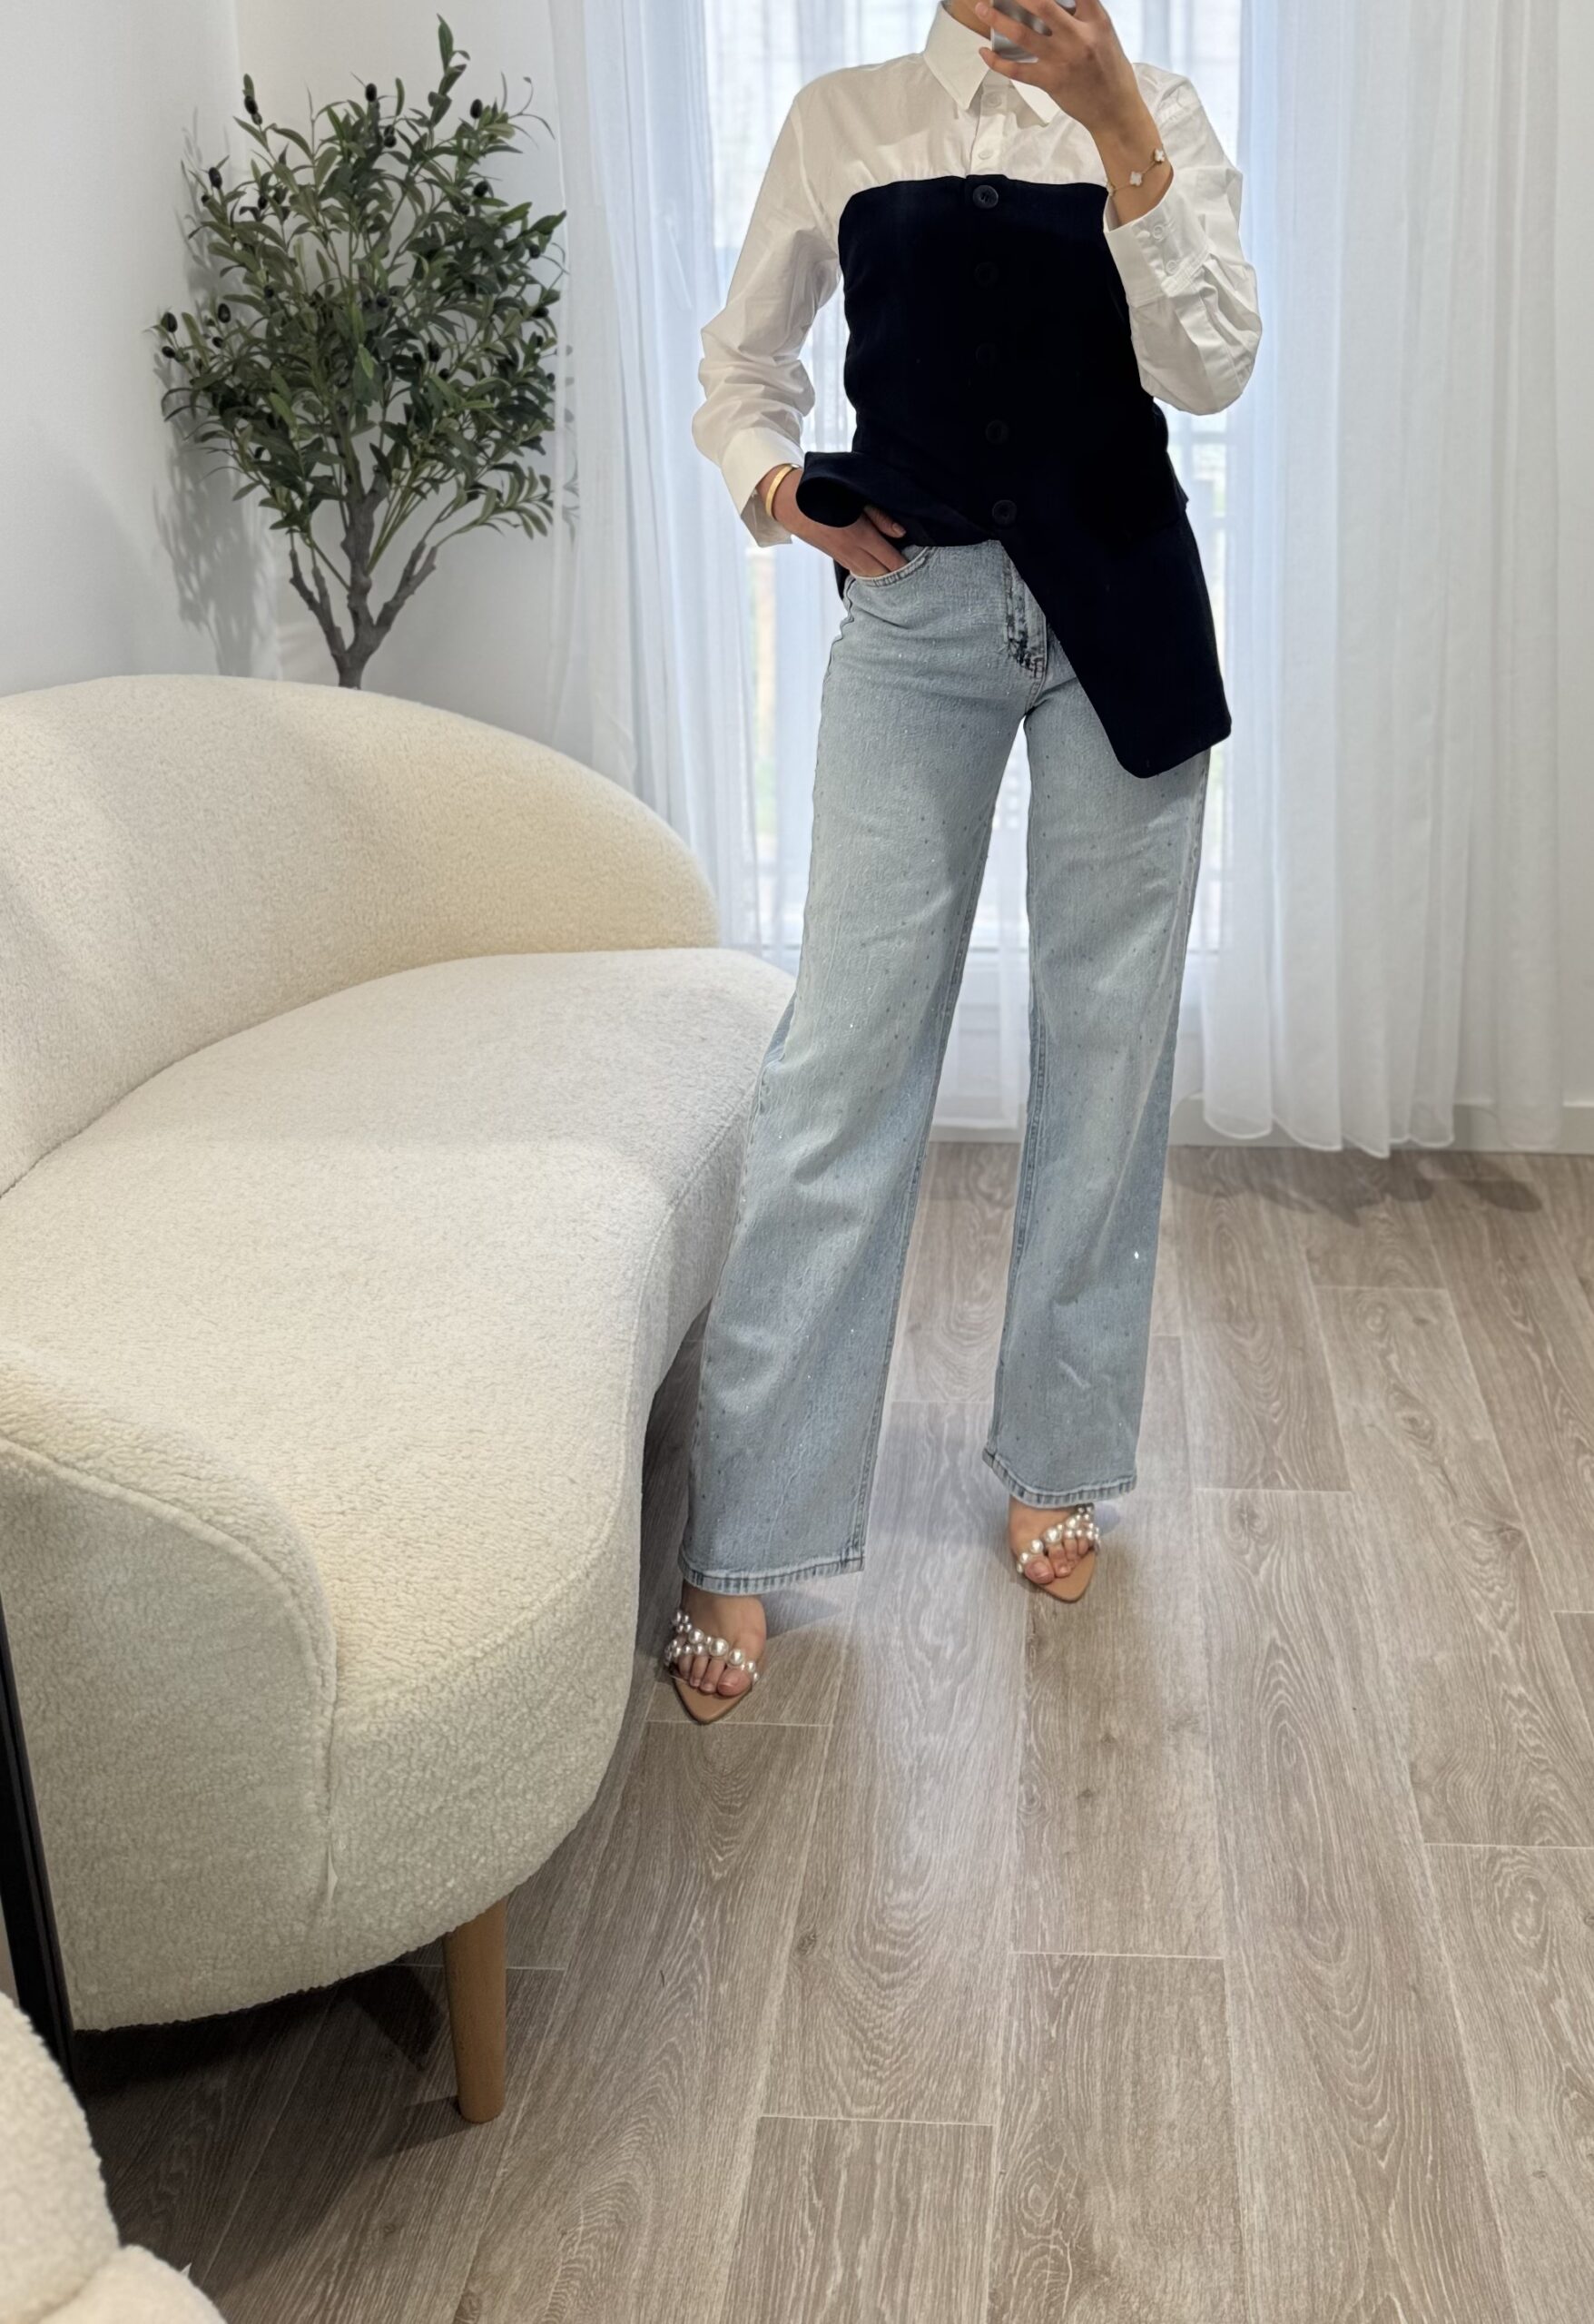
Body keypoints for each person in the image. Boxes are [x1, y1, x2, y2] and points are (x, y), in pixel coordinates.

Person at [664, 0, 1261, 1719]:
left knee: (1108, 1057)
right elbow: (741, 370)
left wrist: (1121, 124)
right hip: (912, 620)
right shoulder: (841, 120)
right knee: (841, 1063)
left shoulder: (1160, 116)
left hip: (1124, 624)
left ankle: (1060, 1452)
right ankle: (756, 1522)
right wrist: (780, 492)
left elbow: (1212, 369)